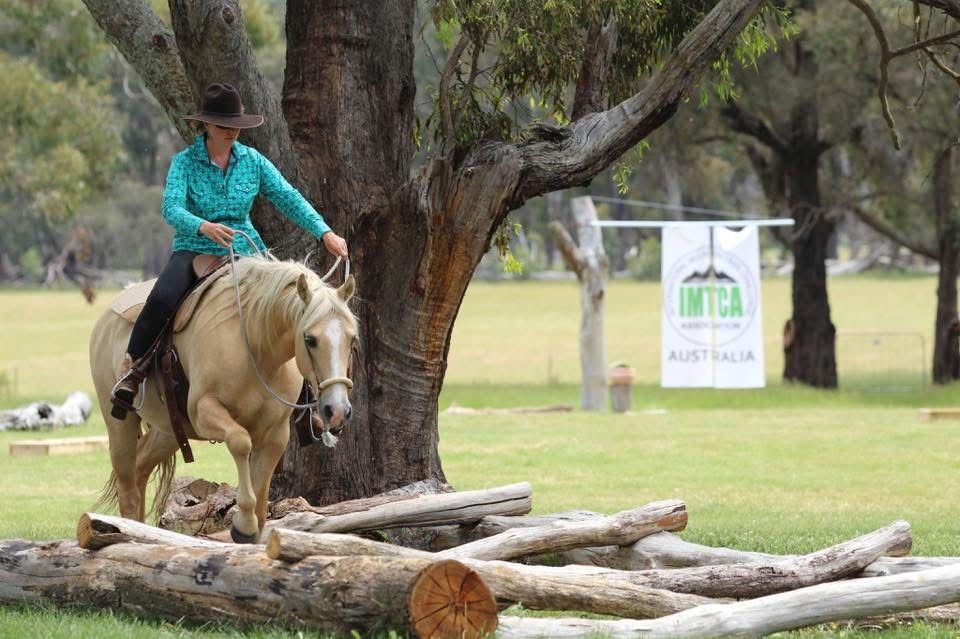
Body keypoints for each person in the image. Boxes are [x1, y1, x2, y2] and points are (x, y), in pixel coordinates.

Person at [111, 83, 348, 418]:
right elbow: (170, 208)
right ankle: (132, 372)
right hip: (194, 249)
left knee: (292, 306)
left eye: (235, 126)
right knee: (163, 298)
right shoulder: (184, 163)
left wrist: (324, 232)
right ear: (206, 125)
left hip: (248, 252)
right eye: (224, 126)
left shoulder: (253, 161)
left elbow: (288, 197)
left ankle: (305, 400)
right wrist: (202, 226)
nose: (231, 133)